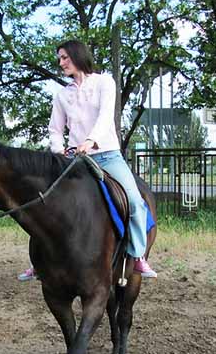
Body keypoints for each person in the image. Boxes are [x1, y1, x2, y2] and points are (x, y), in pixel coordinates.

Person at [18, 39, 157, 281]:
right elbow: (54, 129)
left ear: (77, 55)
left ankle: (136, 257)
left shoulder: (104, 82)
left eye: (64, 57)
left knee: (134, 202)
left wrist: (91, 141)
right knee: (47, 203)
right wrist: (59, 150)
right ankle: (39, 262)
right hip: (74, 160)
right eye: (59, 58)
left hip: (107, 155)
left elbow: (105, 117)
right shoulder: (63, 95)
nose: (60, 63)